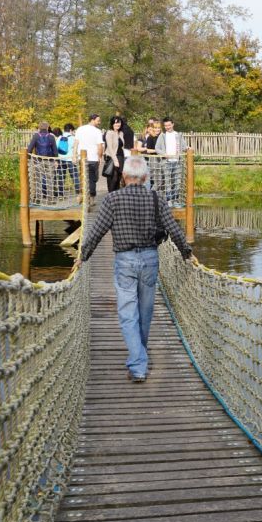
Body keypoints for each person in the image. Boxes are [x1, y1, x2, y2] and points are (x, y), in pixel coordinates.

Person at [77, 155, 193, 381]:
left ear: (123, 176)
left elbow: (97, 230)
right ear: (146, 177)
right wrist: (186, 252)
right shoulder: (156, 198)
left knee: (128, 313)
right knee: (145, 312)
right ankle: (140, 355)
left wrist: (83, 255)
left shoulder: (112, 199)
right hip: (150, 259)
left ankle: (138, 365)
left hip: (125, 261)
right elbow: (172, 228)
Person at [155, 117, 188, 206]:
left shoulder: (178, 135)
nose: (167, 127)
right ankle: (169, 201)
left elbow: (184, 147)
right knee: (168, 182)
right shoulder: (162, 136)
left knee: (177, 182)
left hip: (177, 162)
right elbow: (157, 148)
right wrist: (164, 154)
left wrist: (189, 148)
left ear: (173, 124)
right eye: (165, 125)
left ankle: (176, 201)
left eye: (169, 125)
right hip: (166, 162)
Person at [73, 114, 104, 203]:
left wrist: (74, 155)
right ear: (92, 120)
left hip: (81, 158)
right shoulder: (97, 131)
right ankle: (91, 198)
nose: (99, 122)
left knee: (82, 176)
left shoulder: (80, 129)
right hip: (93, 158)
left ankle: (81, 195)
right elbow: (100, 146)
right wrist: (100, 156)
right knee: (92, 179)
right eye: (98, 120)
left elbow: (76, 143)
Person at [26, 121, 58, 201]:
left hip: (38, 161)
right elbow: (55, 151)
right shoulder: (51, 137)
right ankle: (50, 199)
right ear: (48, 127)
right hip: (50, 161)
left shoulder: (36, 136)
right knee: (50, 180)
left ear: (39, 128)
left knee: (38, 180)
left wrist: (29, 159)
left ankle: (39, 199)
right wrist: (56, 161)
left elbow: (29, 149)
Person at [56, 122, 80, 198]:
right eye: (73, 131)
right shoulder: (73, 138)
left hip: (61, 159)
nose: (73, 132)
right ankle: (78, 193)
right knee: (74, 176)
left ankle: (61, 194)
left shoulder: (59, 138)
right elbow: (76, 149)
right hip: (70, 160)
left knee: (61, 177)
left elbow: (56, 148)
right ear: (70, 130)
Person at [103, 116, 125, 193]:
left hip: (121, 156)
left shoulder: (121, 133)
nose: (117, 124)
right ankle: (110, 195)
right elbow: (110, 147)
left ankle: (116, 195)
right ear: (112, 123)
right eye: (115, 122)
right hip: (112, 157)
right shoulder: (109, 133)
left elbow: (122, 146)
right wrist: (115, 160)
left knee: (119, 177)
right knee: (113, 178)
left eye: (119, 122)